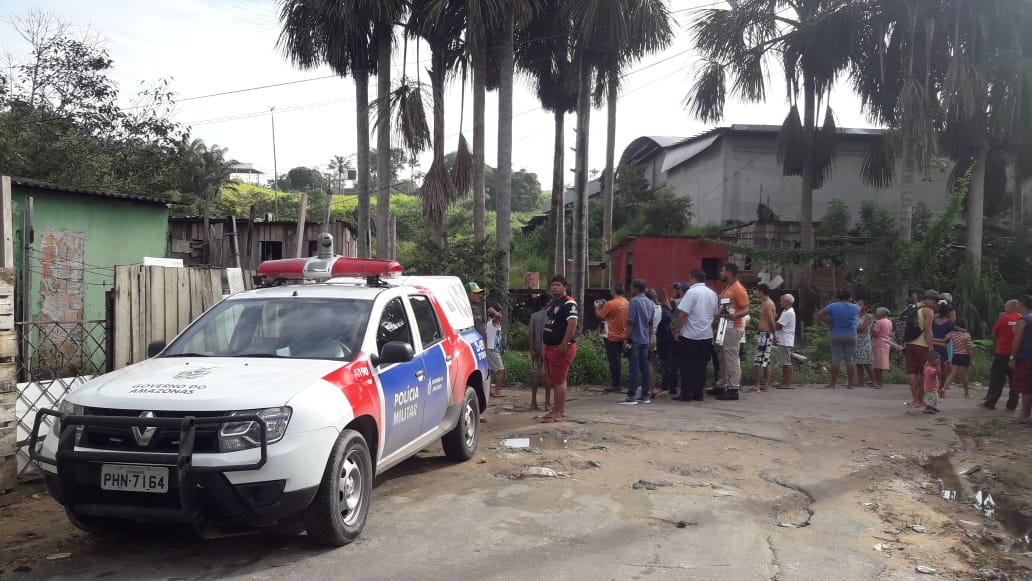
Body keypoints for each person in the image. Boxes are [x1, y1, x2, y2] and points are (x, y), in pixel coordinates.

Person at [673, 269, 718, 402]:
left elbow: (683, 314)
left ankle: (686, 393)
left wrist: (678, 330)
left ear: (693, 279)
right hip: (706, 335)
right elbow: (716, 314)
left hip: (690, 335)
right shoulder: (712, 294)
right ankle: (698, 393)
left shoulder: (691, 292)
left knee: (687, 365)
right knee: (701, 365)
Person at [541, 276, 578, 423]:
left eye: (558, 285)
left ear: (565, 287)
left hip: (561, 348)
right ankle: (557, 409)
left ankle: (557, 412)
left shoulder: (569, 303)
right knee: (554, 379)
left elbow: (572, 323)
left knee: (559, 380)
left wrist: (564, 342)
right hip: (551, 347)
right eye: (553, 285)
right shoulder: (554, 303)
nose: (554, 287)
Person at [714, 264, 750, 400]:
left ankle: (733, 388)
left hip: (732, 326)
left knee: (731, 357)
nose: (720, 273)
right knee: (721, 357)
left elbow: (746, 309)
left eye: (722, 270)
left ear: (728, 272)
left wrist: (734, 316)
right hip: (723, 326)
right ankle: (721, 384)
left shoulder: (738, 289)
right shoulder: (727, 288)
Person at [817, 290, 860, 388]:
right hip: (851, 333)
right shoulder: (855, 307)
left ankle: (832, 383)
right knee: (850, 359)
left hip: (836, 333)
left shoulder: (832, 306)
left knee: (835, 359)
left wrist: (829, 323)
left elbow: (819, 314)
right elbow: (858, 311)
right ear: (850, 298)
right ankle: (850, 384)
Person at [983, 300, 1021, 410]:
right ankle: (1012, 404)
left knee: (997, 379)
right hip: (1017, 354)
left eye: (1006, 305)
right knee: (1015, 380)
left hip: (1002, 353)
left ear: (1013, 307)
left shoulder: (1004, 318)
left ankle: (991, 402)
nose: (1004, 307)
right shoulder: (1022, 319)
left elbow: (995, 333)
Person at [904, 290, 939, 407]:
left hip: (909, 344)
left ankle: (914, 400)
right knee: (923, 372)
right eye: (934, 302)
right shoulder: (928, 311)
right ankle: (921, 399)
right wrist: (931, 349)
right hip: (922, 345)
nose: (935, 305)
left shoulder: (910, 308)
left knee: (911, 372)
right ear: (928, 299)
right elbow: (928, 330)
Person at [622, 279, 653, 405]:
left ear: (635, 289)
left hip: (634, 339)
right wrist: (649, 338)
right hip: (645, 340)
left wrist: (625, 338)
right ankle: (645, 395)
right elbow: (651, 324)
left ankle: (631, 396)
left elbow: (630, 322)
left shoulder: (634, 301)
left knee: (634, 368)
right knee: (644, 368)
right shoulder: (650, 302)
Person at [595, 283, 629, 393]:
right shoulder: (626, 302)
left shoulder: (610, 304)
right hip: (623, 335)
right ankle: (617, 382)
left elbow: (600, 316)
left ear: (613, 291)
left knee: (613, 361)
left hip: (611, 336)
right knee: (618, 359)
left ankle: (615, 384)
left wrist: (596, 308)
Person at [1007, 295, 1032, 424]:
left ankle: (1024, 415)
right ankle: (1027, 414)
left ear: (1022, 305)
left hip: (1026, 357)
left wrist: (1012, 357)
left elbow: (1017, 340)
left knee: (1026, 388)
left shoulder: (1023, 320)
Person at [527, 294, 551, 411]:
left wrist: (531, 348)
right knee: (547, 376)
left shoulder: (534, 316)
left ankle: (533, 402)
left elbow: (531, 333)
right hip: (548, 349)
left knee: (535, 375)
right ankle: (547, 403)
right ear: (547, 303)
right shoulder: (551, 316)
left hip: (536, 349)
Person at [751, 284, 777, 392]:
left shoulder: (768, 304)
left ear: (761, 291)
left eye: (757, 291)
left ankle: (758, 384)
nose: (756, 293)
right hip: (765, 333)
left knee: (760, 360)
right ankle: (766, 384)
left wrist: (774, 334)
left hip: (765, 333)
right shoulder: (766, 303)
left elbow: (771, 320)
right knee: (765, 360)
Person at [653, 287, 677, 397]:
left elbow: (665, 319)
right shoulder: (667, 308)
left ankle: (665, 387)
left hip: (664, 339)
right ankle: (669, 386)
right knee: (668, 363)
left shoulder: (661, 309)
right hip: (668, 338)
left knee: (665, 363)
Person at [943, 319, 973, 399]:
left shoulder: (952, 334)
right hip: (965, 356)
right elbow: (969, 349)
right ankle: (966, 394)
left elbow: (945, 339)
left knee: (952, 373)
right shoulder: (966, 335)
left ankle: (944, 389)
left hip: (956, 355)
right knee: (965, 375)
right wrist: (971, 359)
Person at [931, 303, 956, 393]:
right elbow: (947, 339)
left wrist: (933, 341)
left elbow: (929, 336)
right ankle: (941, 387)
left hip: (932, 347)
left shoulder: (933, 322)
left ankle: (934, 386)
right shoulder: (950, 324)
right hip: (943, 348)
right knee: (943, 368)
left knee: (932, 368)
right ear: (948, 313)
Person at [774, 294, 796, 389]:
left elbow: (778, 325)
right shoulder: (786, 311)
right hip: (784, 339)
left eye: (781, 301)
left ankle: (787, 383)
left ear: (787, 302)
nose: (780, 302)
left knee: (786, 362)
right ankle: (784, 381)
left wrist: (771, 323)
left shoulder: (788, 313)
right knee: (784, 362)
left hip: (785, 340)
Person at [871, 307, 895, 389]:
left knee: (877, 365)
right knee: (881, 364)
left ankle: (876, 382)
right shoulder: (889, 321)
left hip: (879, 343)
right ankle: (879, 381)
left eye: (876, 313)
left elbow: (875, 334)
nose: (875, 314)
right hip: (886, 343)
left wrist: (872, 330)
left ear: (880, 314)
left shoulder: (879, 322)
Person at [484, 305, 505, 397]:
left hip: (492, 348)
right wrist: (492, 309)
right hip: (492, 349)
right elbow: (498, 316)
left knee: (490, 370)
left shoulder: (490, 322)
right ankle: (497, 391)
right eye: (500, 312)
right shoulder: (493, 321)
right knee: (501, 370)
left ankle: (489, 391)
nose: (501, 315)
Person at [854, 299, 874, 387]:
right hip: (856, 341)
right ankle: (860, 382)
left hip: (865, 342)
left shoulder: (868, 316)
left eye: (859, 304)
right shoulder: (856, 316)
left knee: (867, 363)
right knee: (858, 362)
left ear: (865, 306)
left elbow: (862, 328)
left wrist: (852, 329)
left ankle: (874, 382)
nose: (857, 305)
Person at [923, 350, 942, 414]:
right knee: (933, 398)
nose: (939, 360)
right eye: (938, 359)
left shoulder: (927, 366)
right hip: (930, 388)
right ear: (933, 360)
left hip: (931, 387)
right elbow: (939, 372)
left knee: (932, 398)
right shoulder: (929, 369)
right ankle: (927, 408)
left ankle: (932, 406)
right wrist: (938, 364)